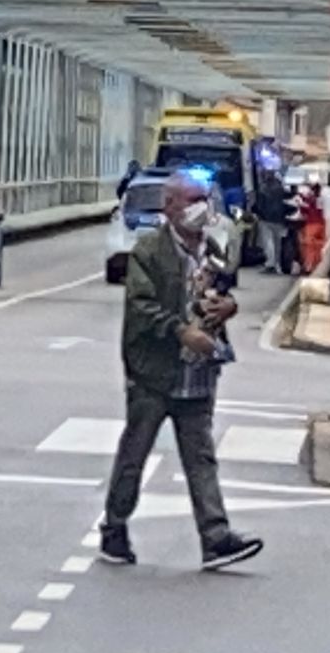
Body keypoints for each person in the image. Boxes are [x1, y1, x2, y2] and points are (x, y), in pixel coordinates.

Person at [100, 171, 263, 571]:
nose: (201, 206)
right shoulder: (150, 251)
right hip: (153, 372)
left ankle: (215, 536)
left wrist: (227, 308)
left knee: (201, 456)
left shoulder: (214, 247)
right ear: (170, 206)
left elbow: (220, 293)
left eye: (205, 198)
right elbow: (141, 305)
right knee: (134, 453)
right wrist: (179, 331)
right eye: (192, 198)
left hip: (199, 372)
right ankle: (115, 526)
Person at [254, 176, 292, 275]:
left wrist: (258, 214)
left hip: (266, 219)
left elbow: (259, 205)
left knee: (268, 242)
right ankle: (278, 265)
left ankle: (270, 264)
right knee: (278, 243)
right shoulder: (281, 189)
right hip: (279, 219)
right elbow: (286, 203)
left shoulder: (263, 189)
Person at [295, 181, 327, 274]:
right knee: (319, 245)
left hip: (312, 224)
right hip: (322, 223)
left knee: (309, 246)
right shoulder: (321, 199)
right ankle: (317, 265)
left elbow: (306, 210)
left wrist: (301, 203)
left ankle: (309, 266)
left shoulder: (311, 199)